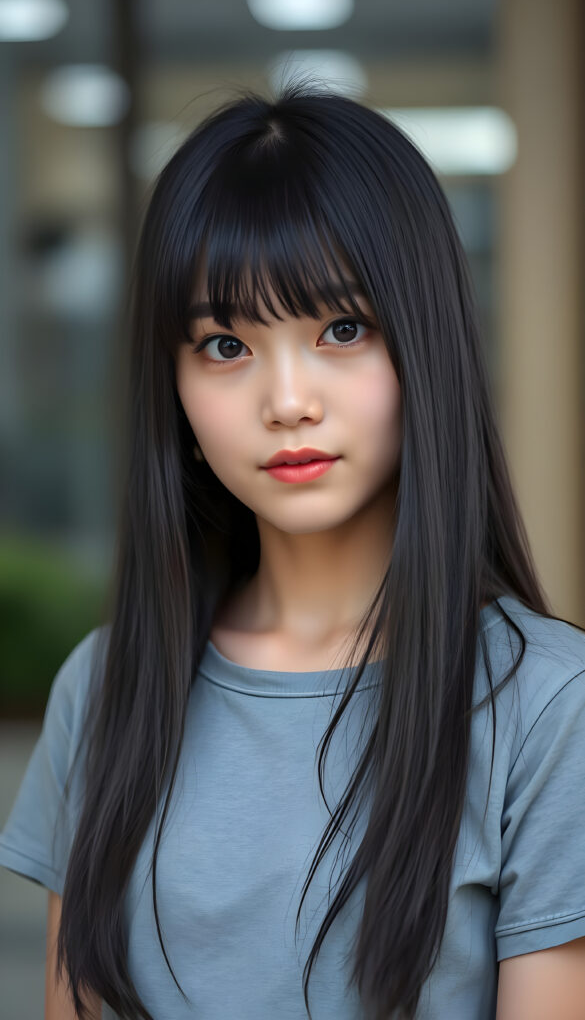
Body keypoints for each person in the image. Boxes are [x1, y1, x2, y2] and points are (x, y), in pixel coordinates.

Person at [1, 85, 585, 1020]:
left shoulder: (547, 709)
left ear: (424, 345)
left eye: (341, 330)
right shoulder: (107, 688)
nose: (286, 402)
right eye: (224, 345)